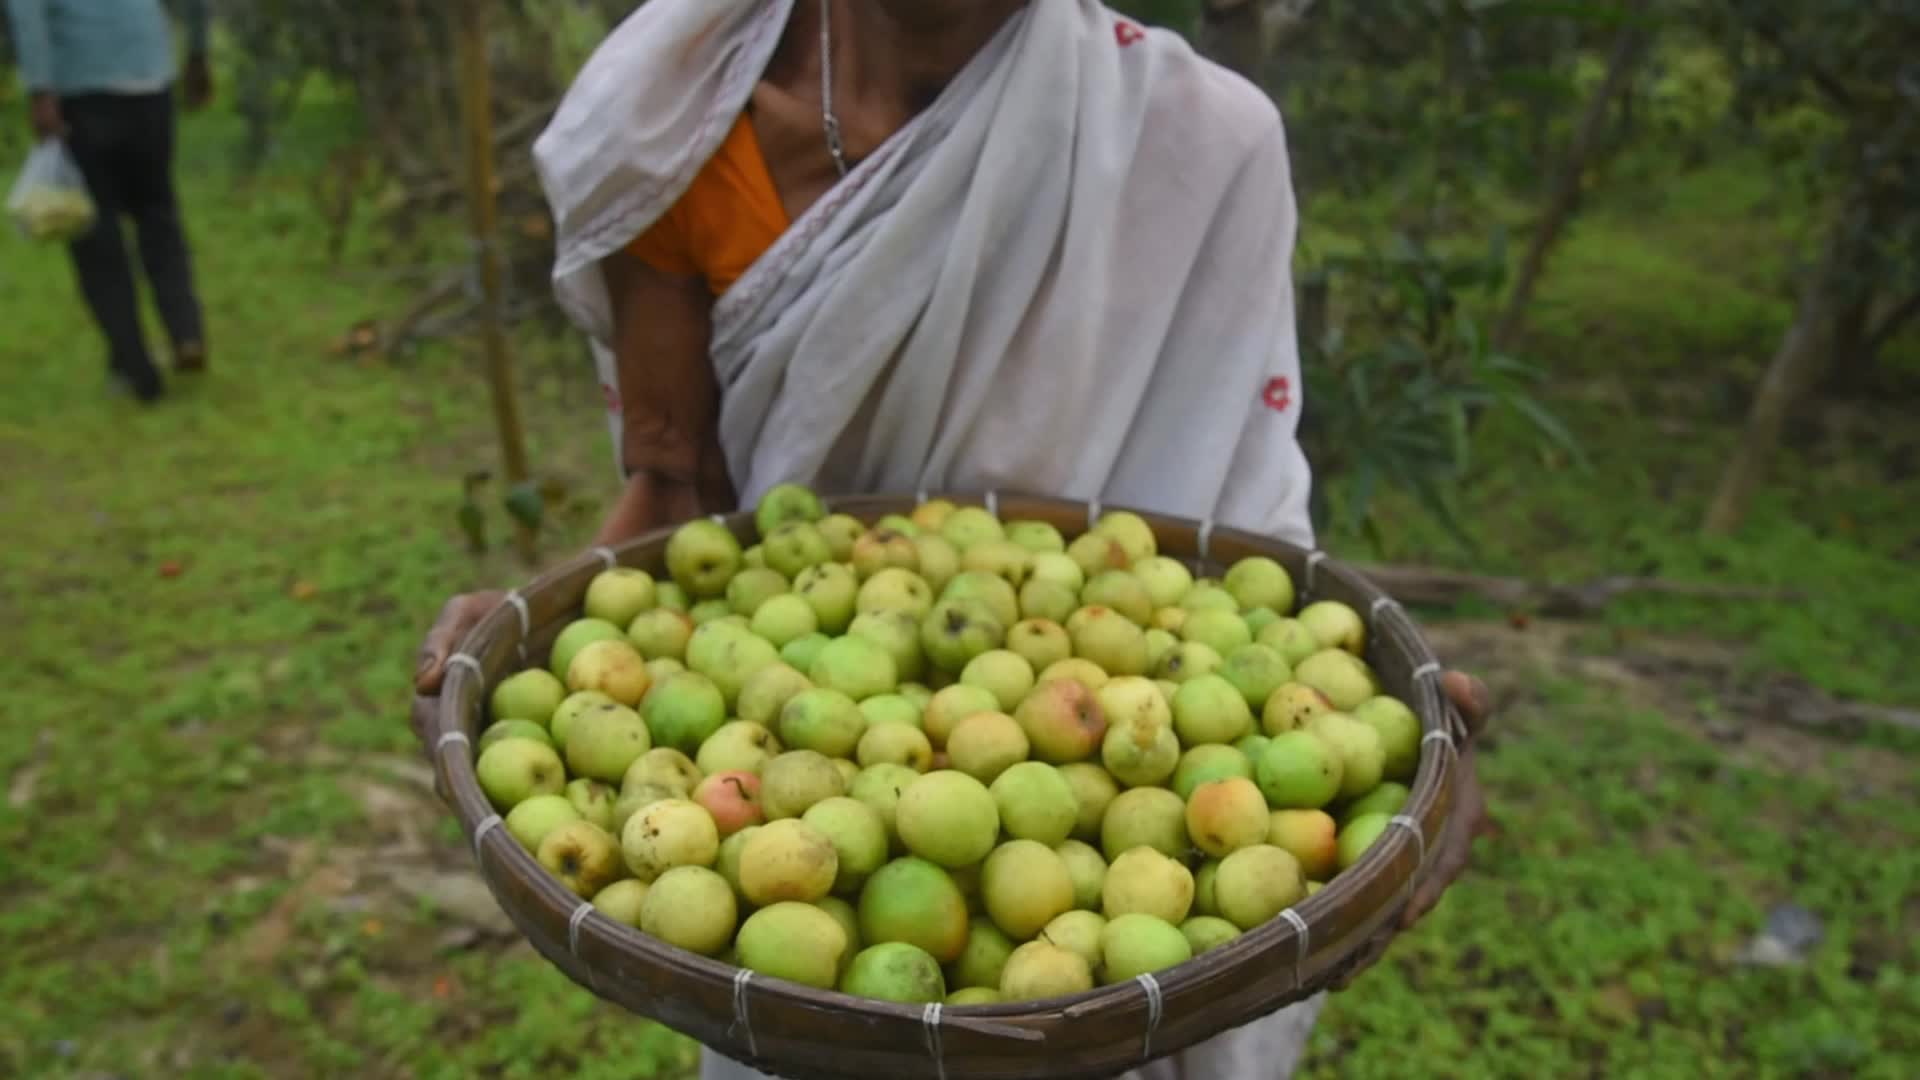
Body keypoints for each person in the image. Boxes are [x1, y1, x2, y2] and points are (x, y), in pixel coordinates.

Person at [412, 2, 1494, 1077]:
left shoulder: (1200, 142)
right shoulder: (680, 116)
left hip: (1120, 883)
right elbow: (675, 487)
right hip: (805, 912)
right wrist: (537, 635)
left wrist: (1389, 755)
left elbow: (1239, 536)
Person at [6, 0, 213, 403]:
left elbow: (27, 13)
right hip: (150, 79)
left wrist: (40, 90)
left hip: (84, 89)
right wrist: (199, 52)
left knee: (97, 237)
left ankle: (136, 370)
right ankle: (185, 330)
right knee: (158, 212)